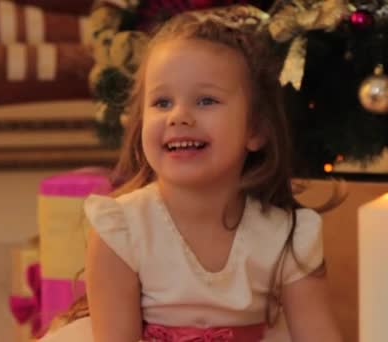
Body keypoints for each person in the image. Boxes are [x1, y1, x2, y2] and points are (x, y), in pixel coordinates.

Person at [41, 5, 342, 342]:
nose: (179, 116)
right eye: (162, 103)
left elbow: (317, 335)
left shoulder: (285, 235)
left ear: (255, 129)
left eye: (206, 101)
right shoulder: (121, 229)